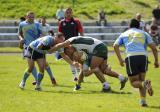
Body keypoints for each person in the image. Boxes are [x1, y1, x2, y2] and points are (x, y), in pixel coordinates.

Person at [49, 36, 128, 92]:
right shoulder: (78, 50)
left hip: (98, 48)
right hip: (101, 46)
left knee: (95, 68)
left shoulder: (71, 42)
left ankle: (106, 87)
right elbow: (82, 69)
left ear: (69, 47)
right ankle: (122, 78)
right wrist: (78, 85)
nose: (69, 55)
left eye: (68, 52)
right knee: (104, 70)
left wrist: (51, 50)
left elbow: (61, 45)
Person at [113, 19, 159, 107]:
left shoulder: (124, 34)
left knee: (134, 82)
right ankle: (143, 101)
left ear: (129, 26)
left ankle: (145, 84)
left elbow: (115, 45)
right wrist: (156, 61)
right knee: (141, 80)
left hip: (131, 57)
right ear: (139, 26)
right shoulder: (144, 33)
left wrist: (120, 60)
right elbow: (154, 48)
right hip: (143, 57)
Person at [58, 7, 84, 81]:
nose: (68, 14)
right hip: (66, 44)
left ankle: (80, 76)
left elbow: (81, 31)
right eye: (67, 12)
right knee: (70, 60)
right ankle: (75, 76)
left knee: (77, 59)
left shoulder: (76, 21)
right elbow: (60, 34)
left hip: (75, 43)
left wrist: (82, 40)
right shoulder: (61, 22)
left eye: (70, 12)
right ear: (64, 14)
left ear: (72, 13)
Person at [18, 11, 42, 88]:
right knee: (31, 67)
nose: (31, 18)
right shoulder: (22, 24)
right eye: (30, 17)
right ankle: (23, 82)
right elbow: (19, 33)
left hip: (37, 47)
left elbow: (41, 34)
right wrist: (21, 39)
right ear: (26, 17)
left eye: (33, 17)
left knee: (41, 67)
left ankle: (38, 85)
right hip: (27, 47)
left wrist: (40, 40)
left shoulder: (37, 24)